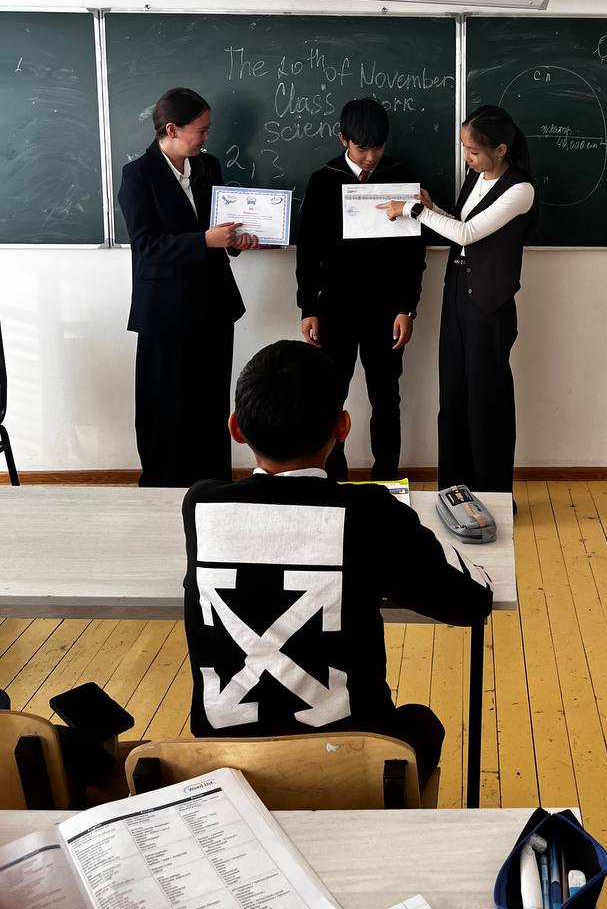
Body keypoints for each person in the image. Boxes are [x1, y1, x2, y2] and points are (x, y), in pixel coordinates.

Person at [181, 340, 492, 788]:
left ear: (236, 428)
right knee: (421, 723)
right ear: (343, 426)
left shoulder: (200, 504)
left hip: (229, 770)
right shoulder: (371, 513)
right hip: (353, 773)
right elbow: (471, 602)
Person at [382, 104, 537, 495]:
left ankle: (492, 494)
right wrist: (433, 209)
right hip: (456, 294)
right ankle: (453, 490)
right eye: (465, 148)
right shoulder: (476, 176)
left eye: (474, 151)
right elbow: (460, 223)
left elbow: (468, 234)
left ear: (500, 149)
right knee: (452, 395)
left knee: (487, 399)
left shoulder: (520, 190)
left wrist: (415, 211)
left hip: (489, 303)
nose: (467, 157)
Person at [118, 87, 257, 487]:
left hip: (214, 306)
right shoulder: (137, 175)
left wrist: (236, 241)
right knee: (165, 403)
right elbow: (146, 246)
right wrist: (204, 241)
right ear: (172, 129)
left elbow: (221, 230)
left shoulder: (209, 167)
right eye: (202, 129)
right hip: (165, 311)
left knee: (211, 400)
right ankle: (162, 484)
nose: (207, 137)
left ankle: (213, 484)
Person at [296, 98, 426, 482]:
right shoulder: (323, 180)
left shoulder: (401, 178)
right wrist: (308, 308)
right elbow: (308, 253)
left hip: (386, 311)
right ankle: (333, 475)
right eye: (362, 148)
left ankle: (387, 476)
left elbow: (414, 254)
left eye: (378, 147)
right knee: (330, 396)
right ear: (343, 139)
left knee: (385, 396)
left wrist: (407, 308)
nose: (371, 157)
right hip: (334, 310)